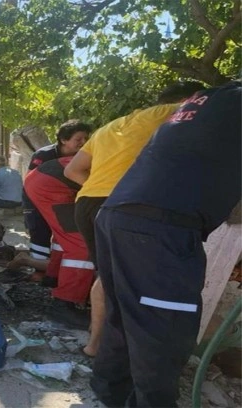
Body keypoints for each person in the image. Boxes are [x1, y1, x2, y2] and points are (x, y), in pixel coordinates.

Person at [89, 80, 240, 408]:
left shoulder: (212, 98)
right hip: (159, 227)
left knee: (124, 320)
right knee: (164, 332)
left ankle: (109, 395)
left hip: (119, 214)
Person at [64, 81, 206, 357]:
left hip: (89, 203)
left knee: (107, 276)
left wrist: (106, 191)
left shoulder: (111, 127)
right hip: (126, 205)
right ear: (191, 99)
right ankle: (131, 349)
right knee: (134, 278)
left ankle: (95, 346)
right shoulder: (178, 111)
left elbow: (72, 170)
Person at [24, 156, 93, 328]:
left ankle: (53, 277)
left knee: (65, 237)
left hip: (43, 180)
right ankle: (64, 303)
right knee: (82, 246)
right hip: (53, 185)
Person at [22, 120, 91, 262]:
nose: (83, 142)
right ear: (64, 139)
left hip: (64, 201)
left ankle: (53, 269)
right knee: (40, 234)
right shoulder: (43, 155)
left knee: (64, 235)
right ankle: (37, 271)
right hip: (36, 201)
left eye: (86, 138)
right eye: (78, 139)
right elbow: (30, 182)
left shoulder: (83, 156)